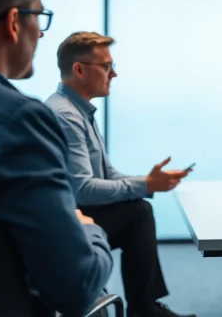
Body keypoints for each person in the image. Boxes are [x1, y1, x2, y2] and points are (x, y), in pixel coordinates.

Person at [0, 0, 112, 316]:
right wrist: (88, 229)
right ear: (13, 23)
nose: (41, 34)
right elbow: (73, 288)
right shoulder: (17, 121)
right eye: (38, 18)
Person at [44, 32, 194, 317]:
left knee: (138, 210)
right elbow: (82, 189)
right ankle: (144, 308)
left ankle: (143, 307)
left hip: (76, 212)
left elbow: (107, 172)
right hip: (70, 221)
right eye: (106, 66)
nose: (114, 73)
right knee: (138, 213)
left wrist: (148, 182)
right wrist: (146, 184)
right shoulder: (66, 116)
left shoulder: (79, 110)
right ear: (79, 69)